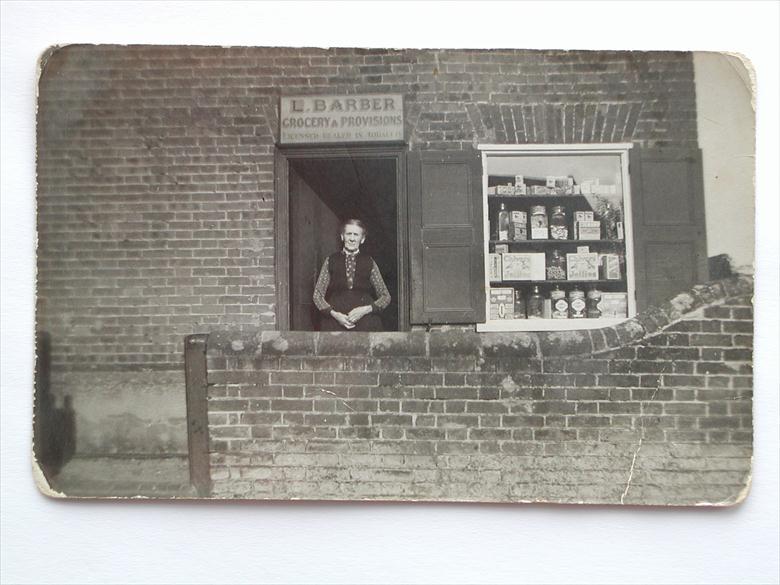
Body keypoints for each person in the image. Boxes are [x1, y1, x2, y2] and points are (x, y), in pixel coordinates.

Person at [312, 219, 391, 331]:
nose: (352, 239)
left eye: (356, 235)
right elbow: (317, 295)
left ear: (362, 239)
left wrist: (364, 310)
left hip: (366, 323)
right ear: (342, 237)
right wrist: (335, 315)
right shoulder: (331, 260)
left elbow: (385, 296)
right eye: (349, 234)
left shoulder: (369, 262)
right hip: (335, 323)